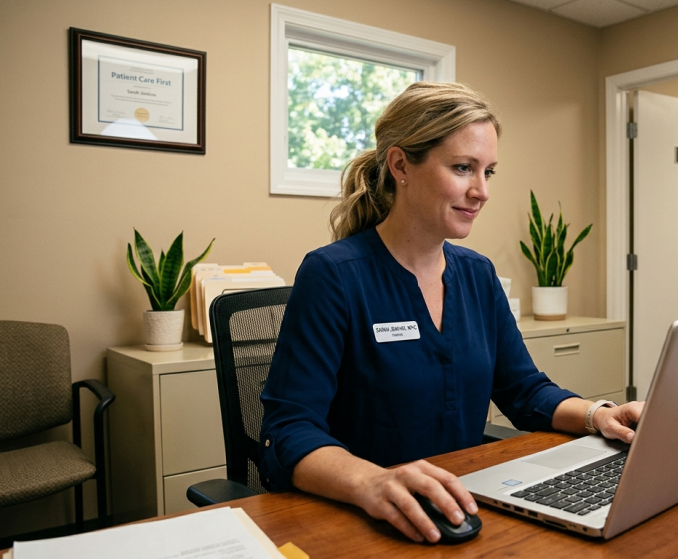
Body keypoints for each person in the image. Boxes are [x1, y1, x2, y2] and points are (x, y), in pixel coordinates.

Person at [259, 82, 644, 544]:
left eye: (489, 172)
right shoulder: (334, 274)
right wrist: (371, 482)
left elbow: (523, 389)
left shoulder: (477, 275)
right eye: (463, 168)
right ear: (401, 164)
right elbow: (289, 429)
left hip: (461, 506)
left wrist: (599, 415)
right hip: (365, 519)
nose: (481, 191)